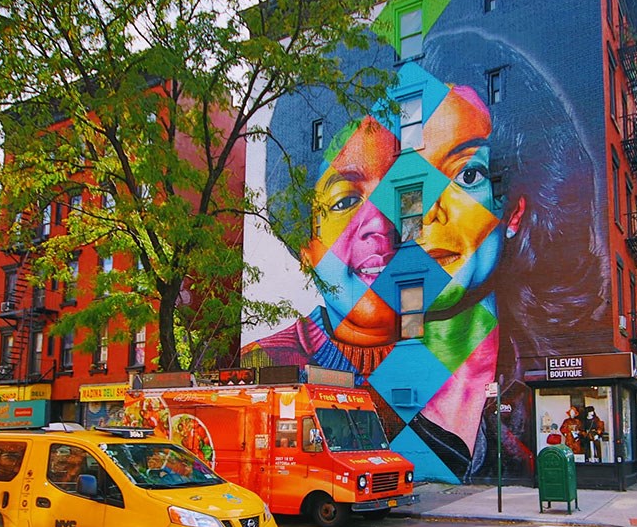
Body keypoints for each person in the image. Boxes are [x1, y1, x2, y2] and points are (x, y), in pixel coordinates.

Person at [242, 28, 605, 485]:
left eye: (466, 174)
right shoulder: (279, 366)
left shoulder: (530, 373)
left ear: (513, 209)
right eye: (345, 201)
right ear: (304, 245)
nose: (411, 215)